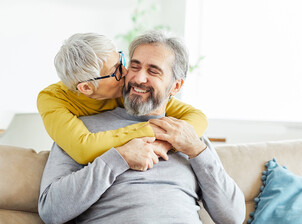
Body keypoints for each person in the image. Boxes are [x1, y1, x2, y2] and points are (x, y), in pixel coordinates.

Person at [38, 30, 245, 224]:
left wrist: (195, 150)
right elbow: (51, 211)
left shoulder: (188, 134)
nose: (138, 77)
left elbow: (233, 217)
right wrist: (118, 158)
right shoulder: (82, 129)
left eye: (153, 71)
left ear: (176, 86)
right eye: (134, 66)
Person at [37, 33, 208, 164]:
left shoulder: (125, 88)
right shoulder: (52, 98)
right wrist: (150, 131)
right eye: (116, 70)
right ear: (87, 88)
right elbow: (83, 148)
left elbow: (196, 116)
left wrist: (166, 143)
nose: (127, 73)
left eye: (122, 61)